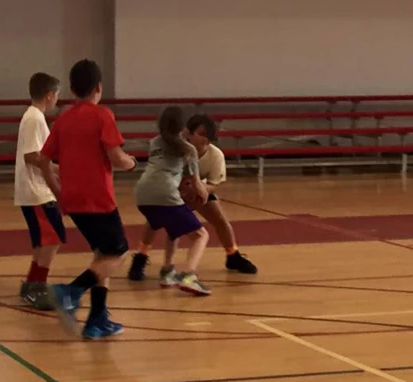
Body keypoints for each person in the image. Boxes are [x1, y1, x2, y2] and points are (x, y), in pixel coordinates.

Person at [40, 59, 137, 340]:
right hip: (99, 200)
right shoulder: (102, 115)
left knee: (101, 255)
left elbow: (43, 161)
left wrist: (60, 194)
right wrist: (131, 163)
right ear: (98, 87)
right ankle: (69, 291)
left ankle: (97, 319)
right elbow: (116, 157)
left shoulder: (63, 119)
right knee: (119, 252)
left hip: (74, 201)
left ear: (71, 88)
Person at [128, 113, 258, 280]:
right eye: (201, 134)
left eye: (209, 136)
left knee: (219, 219)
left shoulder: (215, 155)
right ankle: (141, 257)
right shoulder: (177, 148)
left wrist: (201, 189)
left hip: (198, 191)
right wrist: (186, 189)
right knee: (155, 221)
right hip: (173, 191)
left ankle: (232, 254)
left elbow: (214, 184)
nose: (205, 139)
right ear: (188, 133)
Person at [134, 106, 211, 296]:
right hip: (165, 193)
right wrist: (203, 196)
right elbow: (197, 186)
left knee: (173, 228)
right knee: (201, 235)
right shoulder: (188, 149)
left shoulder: (154, 142)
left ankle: (167, 271)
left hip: (142, 194)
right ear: (183, 128)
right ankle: (189, 276)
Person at [14, 72, 65, 310]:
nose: (57, 100)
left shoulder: (34, 117)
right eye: (57, 95)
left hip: (37, 190)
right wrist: (58, 169)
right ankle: (38, 287)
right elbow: (32, 156)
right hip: (37, 191)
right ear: (49, 95)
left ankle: (32, 283)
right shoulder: (35, 118)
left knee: (43, 241)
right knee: (52, 239)